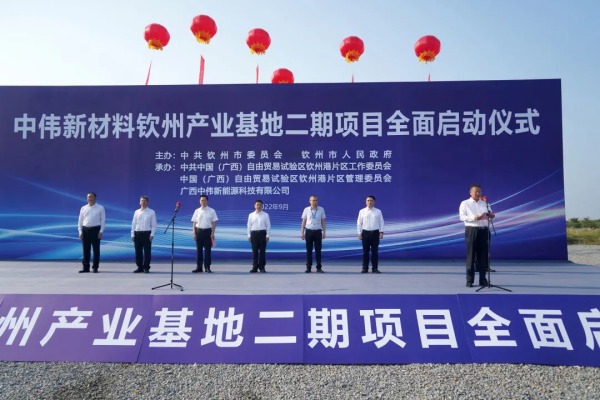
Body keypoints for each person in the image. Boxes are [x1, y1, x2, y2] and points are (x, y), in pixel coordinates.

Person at [459, 184, 496, 287]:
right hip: (472, 230)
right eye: (476, 192)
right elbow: (462, 217)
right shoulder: (465, 203)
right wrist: (474, 217)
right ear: (470, 193)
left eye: (480, 191)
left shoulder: (485, 203)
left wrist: (492, 216)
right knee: (471, 256)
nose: (478, 193)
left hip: (484, 231)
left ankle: (483, 280)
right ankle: (469, 280)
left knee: (483, 256)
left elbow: (490, 215)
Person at [77, 192, 106, 273]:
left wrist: (101, 231)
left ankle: (95, 267)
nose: (90, 198)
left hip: (95, 230)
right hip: (85, 230)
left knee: (96, 250)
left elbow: (103, 220)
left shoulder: (100, 208)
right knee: (85, 249)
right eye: (88, 197)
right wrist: (80, 231)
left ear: (95, 198)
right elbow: (80, 220)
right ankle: (85, 267)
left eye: (91, 197)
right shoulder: (83, 208)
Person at [357, 195, 384, 273]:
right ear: (366, 202)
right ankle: (365, 268)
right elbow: (359, 223)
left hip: (375, 233)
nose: (369, 202)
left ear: (374, 202)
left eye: (371, 200)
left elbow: (381, 222)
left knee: (374, 251)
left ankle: (375, 268)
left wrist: (381, 232)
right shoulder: (362, 211)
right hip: (365, 233)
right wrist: (359, 233)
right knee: (365, 251)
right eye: (368, 200)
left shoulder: (378, 211)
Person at [191, 195, 218, 273]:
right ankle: (199, 267)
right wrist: (194, 233)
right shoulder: (197, 211)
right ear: (199, 201)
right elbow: (194, 223)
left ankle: (207, 267)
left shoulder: (212, 211)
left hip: (208, 232)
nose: (203, 202)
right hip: (199, 232)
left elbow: (214, 222)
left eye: (204, 200)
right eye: (202, 200)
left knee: (207, 251)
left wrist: (212, 232)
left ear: (207, 201)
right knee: (199, 250)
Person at [131, 196, 157, 274]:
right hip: (137, 233)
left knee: (147, 252)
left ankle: (146, 267)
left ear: (147, 202)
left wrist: (152, 234)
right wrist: (132, 234)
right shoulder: (136, 212)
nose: (143, 202)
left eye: (145, 200)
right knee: (138, 252)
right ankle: (140, 267)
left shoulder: (151, 212)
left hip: (147, 234)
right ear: (140, 202)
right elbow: (133, 224)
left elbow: (154, 224)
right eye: (142, 200)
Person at [301, 195, 326, 273]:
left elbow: (323, 221)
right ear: (310, 201)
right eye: (313, 200)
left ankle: (319, 267)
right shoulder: (306, 209)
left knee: (318, 250)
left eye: (316, 200)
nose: (315, 202)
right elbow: (304, 221)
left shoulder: (321, 209)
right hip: (309, 232)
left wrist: (324, 232)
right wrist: (302, 232)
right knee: (309, 250)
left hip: (318, 232)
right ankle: (308, 267)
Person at [247, 200, 270, 273]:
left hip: (262, 233)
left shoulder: (265, 215)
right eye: (257, 205)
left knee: (262, 251)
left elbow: (268, 226)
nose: (258, 206)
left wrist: (267, 235)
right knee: (254, 251)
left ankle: (262, 267)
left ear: (262, 206)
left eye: (260, 205)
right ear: (255, 206)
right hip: (254, 234)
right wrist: (249, 235)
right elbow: (248, 226)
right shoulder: (251, 215)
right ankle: (254, 267)